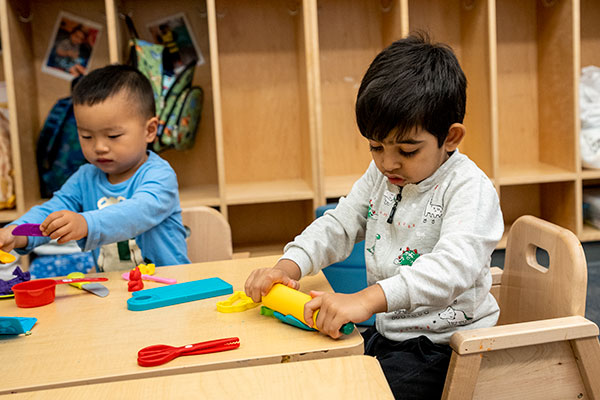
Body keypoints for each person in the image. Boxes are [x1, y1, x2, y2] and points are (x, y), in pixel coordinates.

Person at [244, 33, 503, 399]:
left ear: (451, 137)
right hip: (391, 332)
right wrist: (289, 266)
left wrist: (366, 299)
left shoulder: (469, 189)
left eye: (407, 150)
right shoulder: (383, 174)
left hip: (447, 347)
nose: (387, 163)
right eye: (376, 146)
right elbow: (341, 222)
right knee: (315, 377)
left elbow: (453, 268)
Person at [0, 64, 190, 272]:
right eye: (86, 136)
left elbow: (137, 212)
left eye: (113, 136)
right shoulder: (85, 177)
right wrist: (16, 232)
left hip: (169, 286)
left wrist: (86, 223)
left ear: (150, 130)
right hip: (115, 292)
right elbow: (52, 210)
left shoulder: (159, 175)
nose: (99, 147)